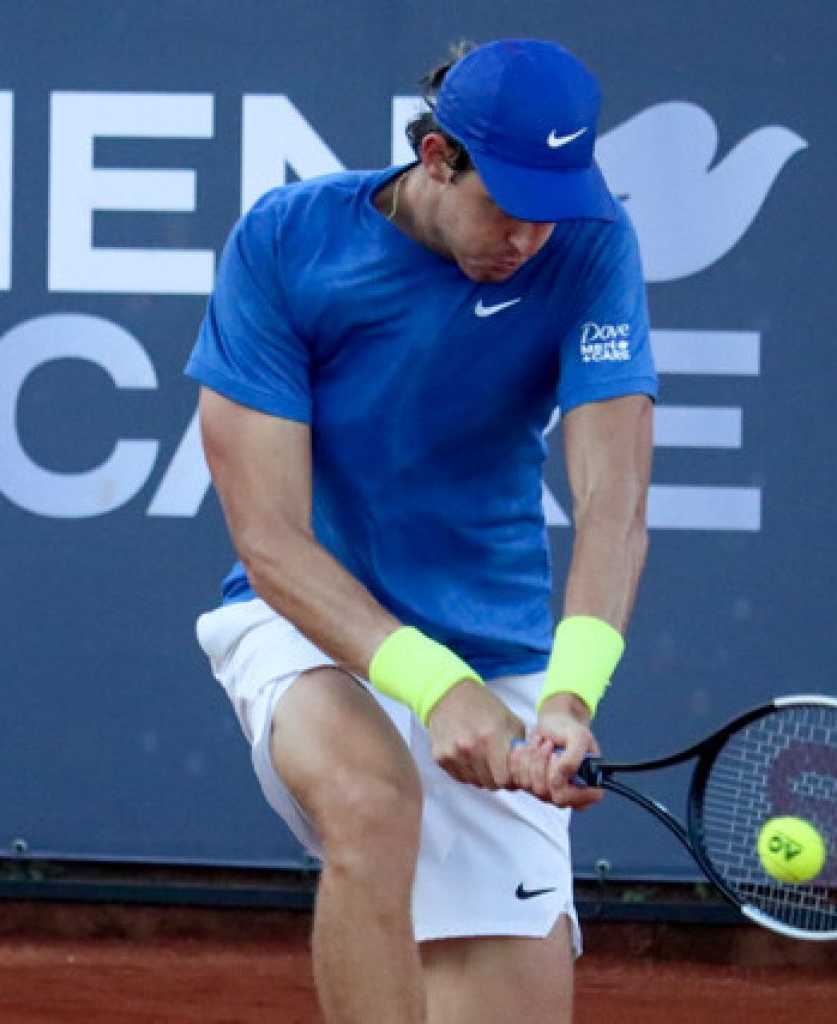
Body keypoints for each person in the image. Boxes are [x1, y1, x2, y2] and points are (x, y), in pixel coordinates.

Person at [187, 38, 656, 1024]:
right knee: (371, 800)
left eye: (553, 204)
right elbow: (268, 537)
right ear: (438, 158)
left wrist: (569, 696)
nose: (533, 233)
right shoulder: (285, 241)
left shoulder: (593, 244)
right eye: (508, 200)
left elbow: (611, 507)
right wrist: (432, 685)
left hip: (497, 640)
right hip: (309, 624)